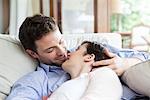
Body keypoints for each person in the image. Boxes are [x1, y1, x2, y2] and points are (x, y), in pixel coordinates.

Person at [6, 14, 150, 100]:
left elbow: (144, 57)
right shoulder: (36, 81)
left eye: (61, 41)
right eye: (51, 50)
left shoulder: (86, 50)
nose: (62, 51)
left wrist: (125, 63)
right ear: (32, 53)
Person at [48, 41, 123, 100]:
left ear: (89, 57)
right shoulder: (69, 84)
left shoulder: (104, 73)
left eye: (77, 50)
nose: (69, 53)